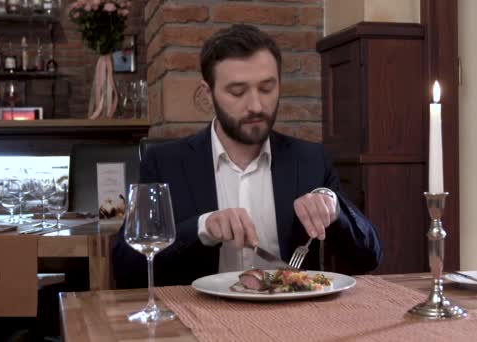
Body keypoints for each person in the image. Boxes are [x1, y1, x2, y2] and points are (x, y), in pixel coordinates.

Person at [113, 24, 382, 288]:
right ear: (208, 94)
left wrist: (334, 209)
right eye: (237, 92)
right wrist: (201, 229)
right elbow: (126, 269)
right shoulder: (165, 162)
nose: (256, 105)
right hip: (198, 319)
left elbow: (368, 258)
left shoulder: (310, 159)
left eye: (267, 88)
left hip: (293, 321)